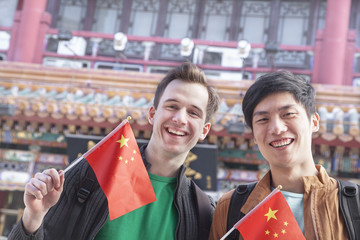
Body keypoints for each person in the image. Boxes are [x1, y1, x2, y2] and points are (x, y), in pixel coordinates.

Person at [8, 62, 220, 240]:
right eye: (172, 106)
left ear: (204, 130)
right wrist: (33, 217)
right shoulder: (92, 176)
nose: (180, 119)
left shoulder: (202, 211)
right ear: (152, 114)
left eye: (193, 112)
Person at [209, 71, 350, 239]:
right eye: (263, 119)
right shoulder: (230, 207)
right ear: (254, 136)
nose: (276, 128)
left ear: (314, 121)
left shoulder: (352, 206)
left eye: (288, 114)